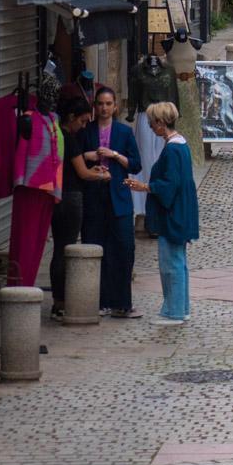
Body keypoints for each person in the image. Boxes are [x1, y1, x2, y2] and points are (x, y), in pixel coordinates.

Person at [126, 100, 198, 325]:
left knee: (171, 264)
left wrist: (145, 187)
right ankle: (180, 308)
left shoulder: (173, 150)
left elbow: (171, 184)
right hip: (181, 211)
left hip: (174, 214)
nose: (149, 126)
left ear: (160, 123)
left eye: (151, 122)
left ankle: (174, 311)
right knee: (178, 261)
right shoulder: (179, 145)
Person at [79, 84, 142, 318]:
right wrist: (92, 156)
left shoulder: (124, 132)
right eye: (100, 104)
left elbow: (136, 164)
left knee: (123, 248)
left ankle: (122, 301)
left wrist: (115, 155)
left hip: (118, 195)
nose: (104, 108)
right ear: (94, 107)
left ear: (115, 107)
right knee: (96, 246)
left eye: (108, 104)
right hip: (94, 195)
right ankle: (99, 300)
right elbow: (75, 158)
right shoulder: (86, 132)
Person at [49, 94, 108, 321]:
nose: (84, 126)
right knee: (67, 249)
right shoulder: (70, 139)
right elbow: (83, 172)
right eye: (82, 121)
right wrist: (101, 174)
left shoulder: (55, 133)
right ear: (71, 117)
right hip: (71, 197)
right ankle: (63, 302)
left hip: (55, 195)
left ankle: (58, 301)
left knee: (58, 250)